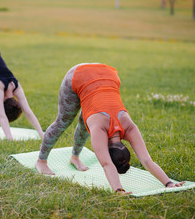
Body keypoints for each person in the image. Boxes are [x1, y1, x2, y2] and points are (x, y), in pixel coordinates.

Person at [35, 63, 185, 194]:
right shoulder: (100, 128)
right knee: (63, 122)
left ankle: (75, 157)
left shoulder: (129, 126)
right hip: (77, 76)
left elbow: (147, 160)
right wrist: (118, 190)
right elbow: (107, 164)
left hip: (108, 74)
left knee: (85, 122)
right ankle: (41, 161)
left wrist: (169, 183)